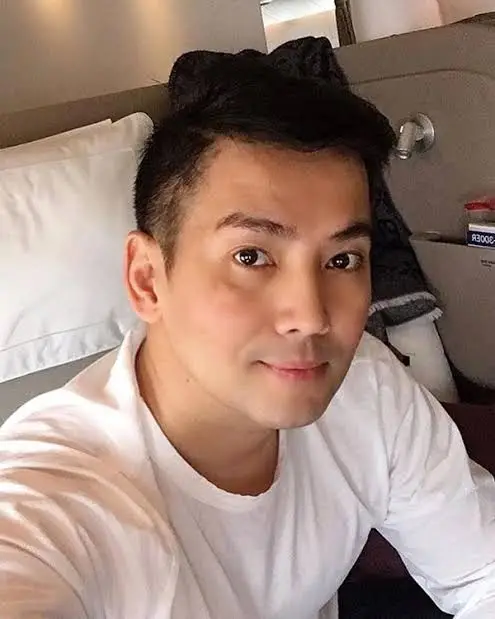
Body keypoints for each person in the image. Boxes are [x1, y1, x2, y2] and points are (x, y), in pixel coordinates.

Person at [0, 53, 494, 619]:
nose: (311, 316)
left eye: (341, 260)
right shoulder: (54, 503)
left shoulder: (367, 387)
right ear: (147, 280)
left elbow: (482, 573)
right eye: (252, 256)